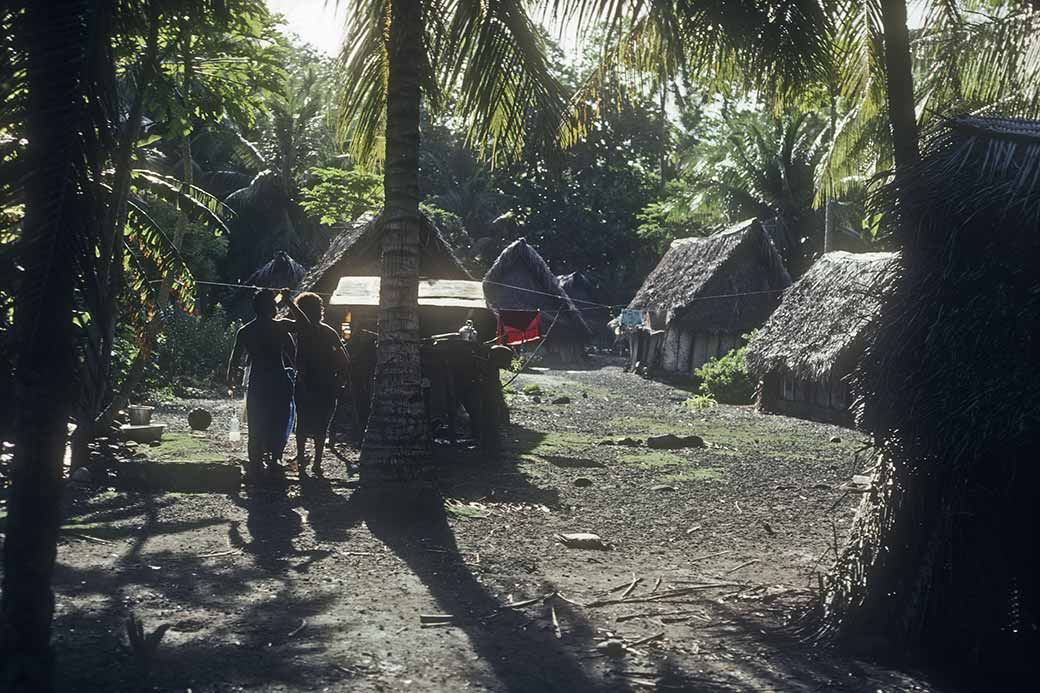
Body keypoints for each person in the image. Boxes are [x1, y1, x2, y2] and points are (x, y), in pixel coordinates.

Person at [226, 289, 302, 482]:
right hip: (278, 379)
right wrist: (289, 301)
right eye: (276, 305)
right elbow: (305, 326)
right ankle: (275, 460)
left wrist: (231, 381)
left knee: (256, 422)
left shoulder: (246, 331)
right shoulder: (281, 327)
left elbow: (234, 361)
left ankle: (256, 462)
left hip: (258, 381)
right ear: (272, 307)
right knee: (278, 421)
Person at [292, 291, 350, 477]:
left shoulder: (299, 332)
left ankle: (301, 460)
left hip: (305, 383)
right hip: (326, 383)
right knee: (321, 425)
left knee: (302, 422)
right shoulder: (328, 332)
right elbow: (344, 359)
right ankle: (316, 463)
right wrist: (341, 378)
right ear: (320, 310)